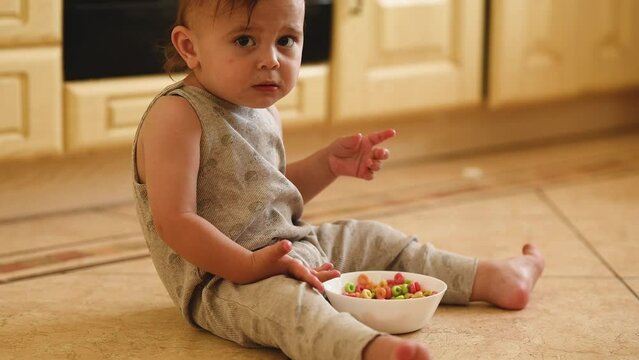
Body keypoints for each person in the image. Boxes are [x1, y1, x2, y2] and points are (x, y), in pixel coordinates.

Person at [132, 1, 545, 359]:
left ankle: (491, 278)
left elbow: (267, 196)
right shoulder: (177, 116)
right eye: (245, 41)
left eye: (286, 40)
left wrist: (328, 164)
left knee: (376, 239)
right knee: (289, 308)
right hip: (223, 282)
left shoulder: (260, 106)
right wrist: (250, 266)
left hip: (288, 251)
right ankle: (365, 348)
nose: (271, 60)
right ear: (189, 47)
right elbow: (175, 220)